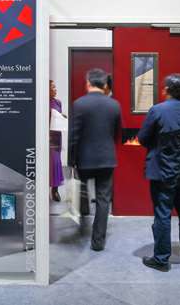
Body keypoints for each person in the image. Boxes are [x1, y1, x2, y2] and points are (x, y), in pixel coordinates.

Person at [137, 74, 180, 272]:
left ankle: (161, 259)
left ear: (166, 90)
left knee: (163, 214)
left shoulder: (157, 111)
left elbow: (143, 138)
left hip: (162, 170)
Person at [69, 68, 122, 251]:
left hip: (84, 159)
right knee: (103, 199)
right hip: (106, 158)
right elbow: (118, 133)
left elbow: (74, 136)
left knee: (82, 191)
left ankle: (82, 225)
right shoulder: (114, 105)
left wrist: (71, 160)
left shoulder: (79, 104)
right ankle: (98, 241)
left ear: (88, 83)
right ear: (105, 85)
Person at [49, 80, 64, 202]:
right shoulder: (42, 102)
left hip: (56, 136)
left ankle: (55, 190)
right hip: (46, 136)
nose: (55, 89)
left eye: (55, 87)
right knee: (49, 162)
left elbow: (59, 116)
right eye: (52, 87)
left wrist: (63, 118)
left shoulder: (58, 102)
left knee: (56, 162)